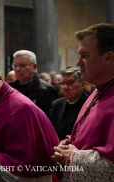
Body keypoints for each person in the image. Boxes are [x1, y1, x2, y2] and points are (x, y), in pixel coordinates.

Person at [52, 23, 114, 181]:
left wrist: (71, 156)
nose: (78, 63)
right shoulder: (96, 91)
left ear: (109, 57)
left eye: (85, 56)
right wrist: (65, 146)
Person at [9, 50, 58, 116]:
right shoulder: (10, 89)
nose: (18, 69)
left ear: (34, 67)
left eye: (22, 65)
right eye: (15, 65)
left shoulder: (47, 90)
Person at [50, 67, 89, 140]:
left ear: (83, 84)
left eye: (70, 83)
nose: (65, 87)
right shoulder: (56, 105)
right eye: (62, 83)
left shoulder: (90, 104)